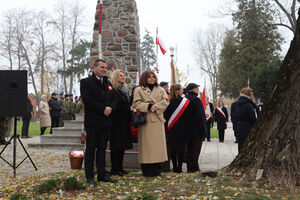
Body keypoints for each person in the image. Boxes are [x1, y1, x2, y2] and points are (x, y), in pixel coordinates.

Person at [80, 59, 117, 185]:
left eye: (105, 67)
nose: (104, 69)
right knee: (91, 150)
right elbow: (87, 99)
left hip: (106, 122)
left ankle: (102, 175)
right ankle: (90, 177)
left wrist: (111, 108)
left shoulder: (108, 82)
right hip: (93, 122)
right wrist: (103, 109)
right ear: (94, 68)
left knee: (102, 150)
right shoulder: (86, 82)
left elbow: (114, 97)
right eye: (102, 67)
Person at [133, 70, 169, 177]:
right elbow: (136, 103)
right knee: (147, 147)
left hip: (158, 119)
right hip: (146, 120)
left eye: (153, 77)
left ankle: (157, 169)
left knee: (158, 146)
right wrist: (148, 107)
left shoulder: (160, 89)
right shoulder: (139, 89)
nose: (152, 79)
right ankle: (147, 170)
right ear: (144, 78)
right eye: (149, 77)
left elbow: (166, 101)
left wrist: (156, 107)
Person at [110, 69, 133, 176]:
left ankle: (120, 167)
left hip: (124, 121)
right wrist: (128, 107)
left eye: (124, 75)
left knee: (122, 146)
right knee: (116, 147)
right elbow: (115, 106)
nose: (123, 77)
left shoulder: (124, 89)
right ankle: (114, 169)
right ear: (116, 77)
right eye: (120, 75)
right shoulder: (113, 90)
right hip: (116, 122)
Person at [164, 84, 189, 173]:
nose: (183, 90)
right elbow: (188, 115)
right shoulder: (185, 102)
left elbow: (166, 115)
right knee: (181, 149)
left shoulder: (168, 101)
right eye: (181, 89)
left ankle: (175, 167)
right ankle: (180, 168)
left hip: (172, 128)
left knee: (173, 149)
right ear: (177, 91)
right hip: (183, 128)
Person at [185, 83, 207, 172]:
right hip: (197, 130)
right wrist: (204, 131)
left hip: (188, 129)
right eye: (197, 88)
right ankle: (194, 168)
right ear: (193, 89)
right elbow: (201, 117)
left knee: (189, 150)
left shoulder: (185, 100)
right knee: (195, 150)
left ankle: (190, 167)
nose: (198, 90)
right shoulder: (196, 100)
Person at [231, 87, 258, 152]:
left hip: (238, 128)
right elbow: (253, 119)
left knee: (240, 147)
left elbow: (233, 118)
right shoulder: (249, 105)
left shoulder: (234, 104)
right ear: (249, 95)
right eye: (251, 95)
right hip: (248, 129)